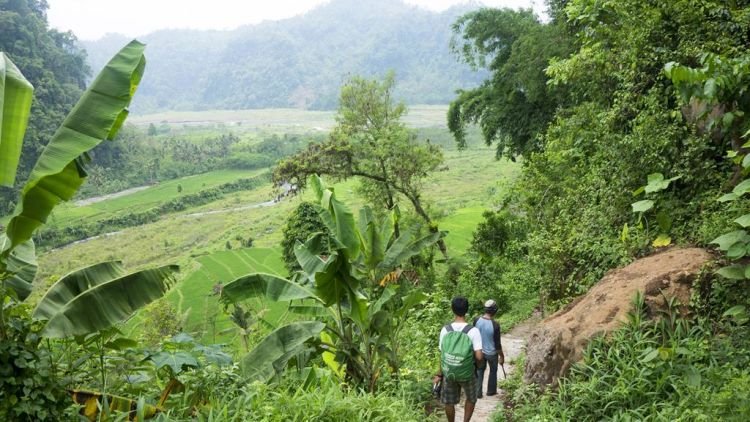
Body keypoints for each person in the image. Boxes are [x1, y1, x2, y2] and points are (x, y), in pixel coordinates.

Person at [434, 297, 483, 422]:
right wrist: (477, 366)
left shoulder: (446, 329)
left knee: (449, 402)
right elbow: (479, 357)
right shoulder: (473, 331)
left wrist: (439, 374)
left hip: (449, 371)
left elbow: (442, 354)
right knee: (471, 398)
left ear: (452, 310)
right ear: (467, 311)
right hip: (467, 373)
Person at [473, 299, 504, 398]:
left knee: (479, 370)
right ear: (495, 310)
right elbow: (497, 344)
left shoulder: (476, 320)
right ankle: (491, 391)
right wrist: (502, 356)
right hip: (492, 353)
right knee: (493, 370)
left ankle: (478, 393)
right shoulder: (495, 325)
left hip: (479, 352)